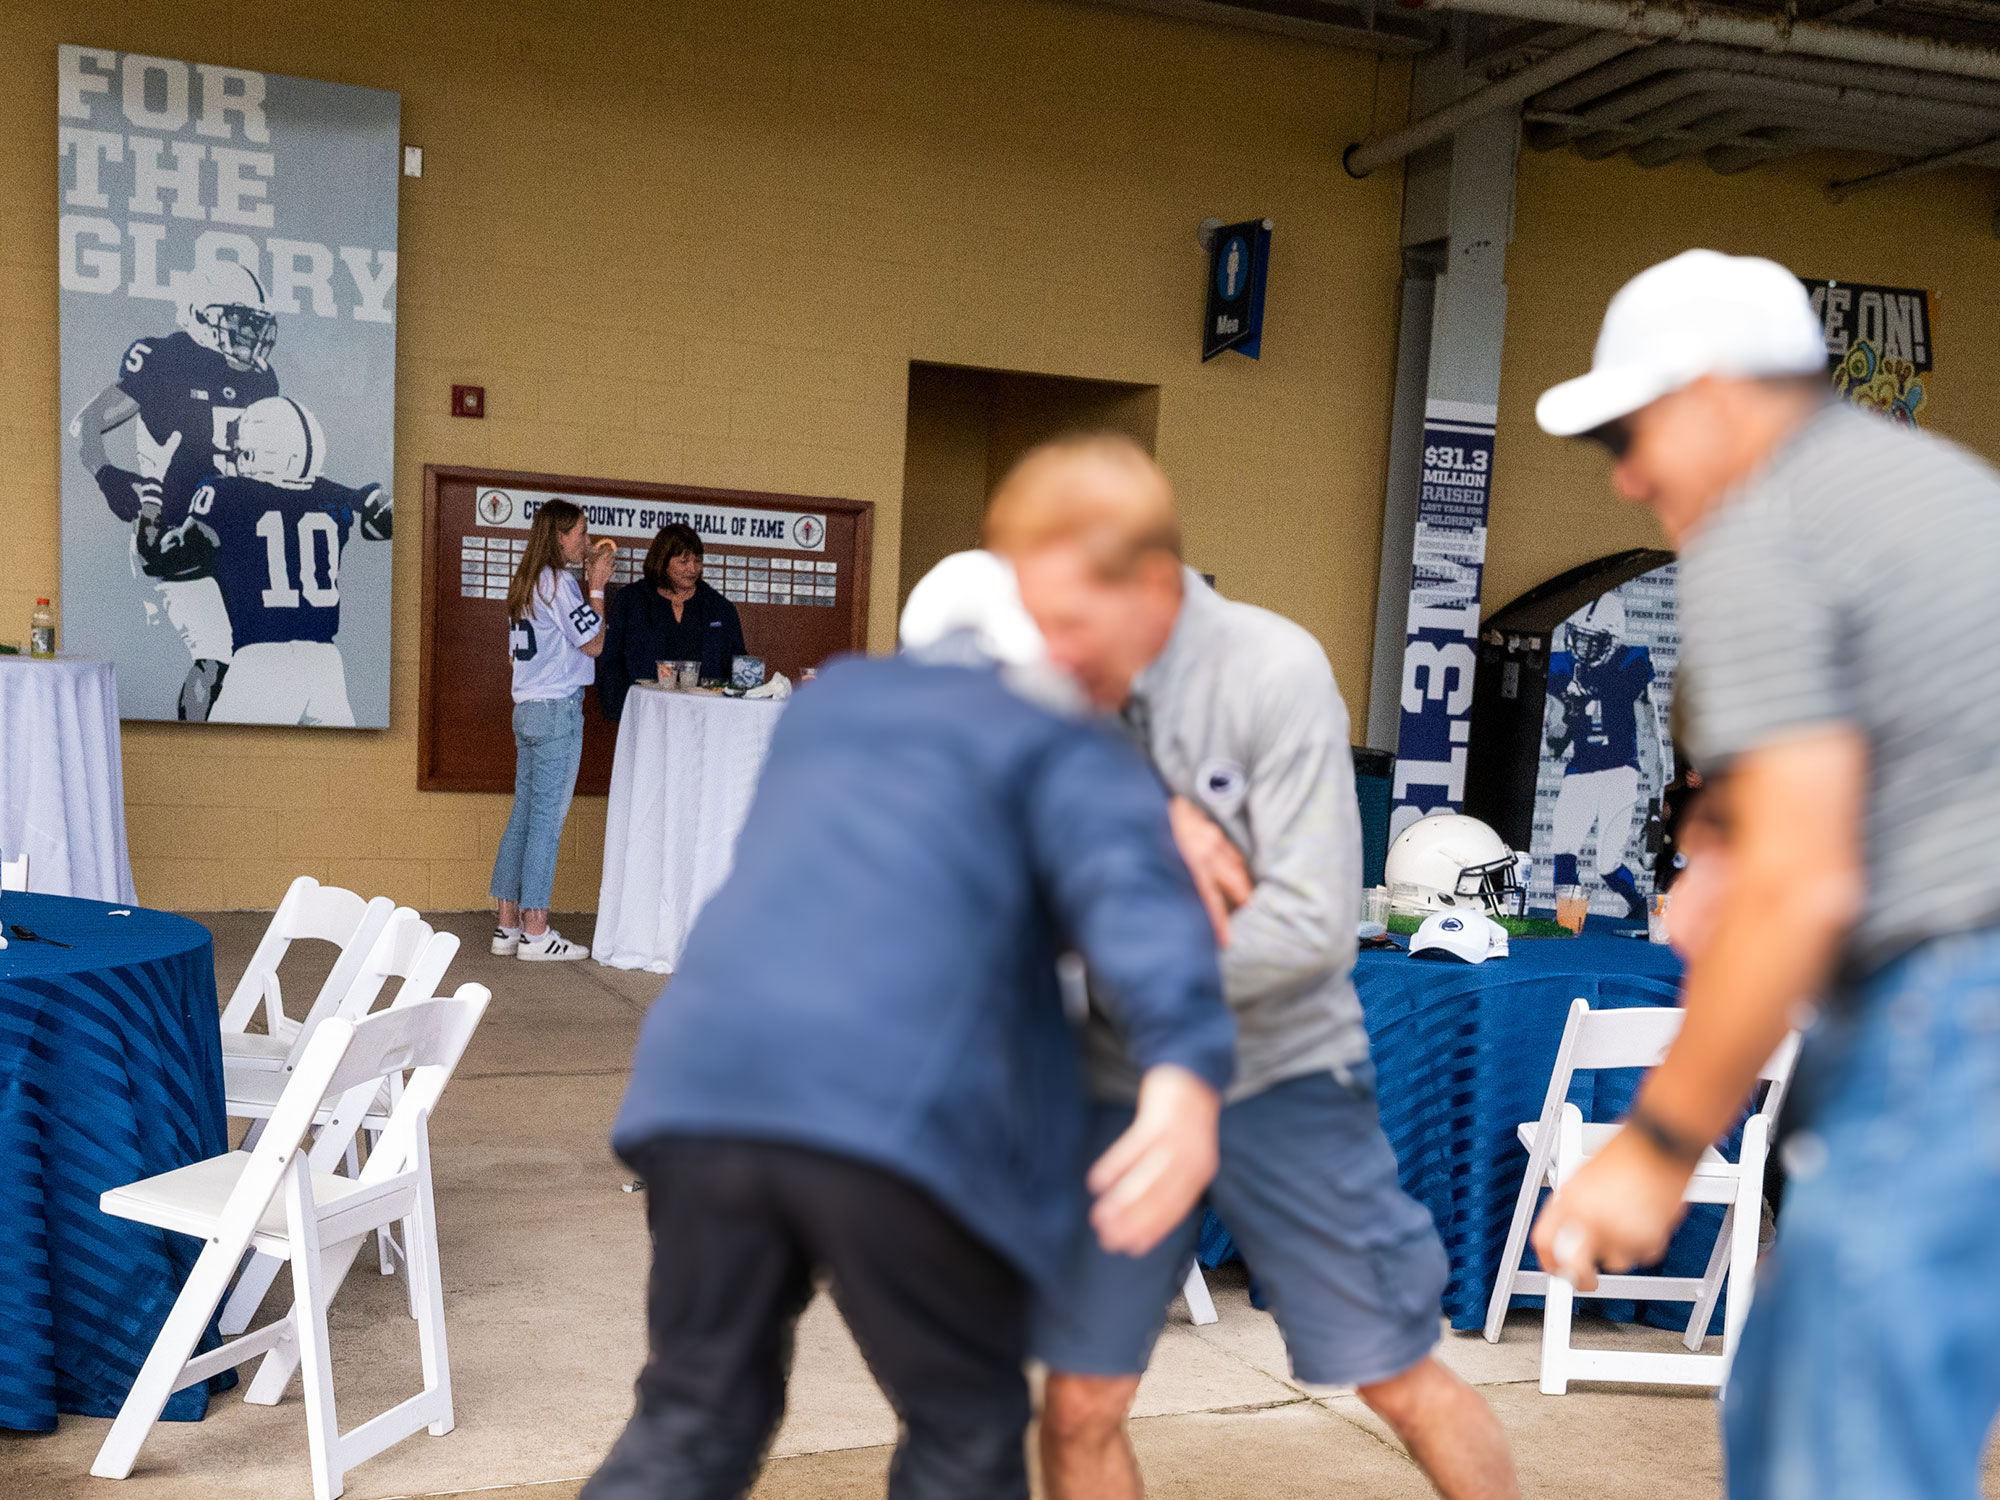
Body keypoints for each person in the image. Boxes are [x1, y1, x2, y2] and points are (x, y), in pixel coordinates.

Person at [581, 551, 1236, 1500]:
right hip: (884, 1108)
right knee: (965, 1425)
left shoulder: (833, 708)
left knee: (695, 1414)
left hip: (701, 1085)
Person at [1527, 249, 2000, 1499]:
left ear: (1715, 398)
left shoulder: (1767, 519)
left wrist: (1658, 1140)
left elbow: (1803, 880)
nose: (1627, 478)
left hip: (1954, 1015)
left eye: (1631, 433)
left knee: (1840, 1462)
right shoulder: (1935, 492)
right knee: (1793, 1405)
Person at [985, 434, 1518, 1500]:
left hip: (1278, 1075)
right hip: (1117, 1083)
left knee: (1397, 1378)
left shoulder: (1271, 670)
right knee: (1079, 1405)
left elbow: (1312, 924)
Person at [70, 260, 282, 720]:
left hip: (237, 538)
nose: (248, 336)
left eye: (255, 325)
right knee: (215, 657)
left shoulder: (262, 378)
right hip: (173, 530)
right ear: (199, 313)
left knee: (262, 661)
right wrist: (106, 474)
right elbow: (85, 421)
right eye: (238, 322)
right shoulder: (163, 359)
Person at [135, 396, 391, 726]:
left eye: (243, 451)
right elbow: (380, 516)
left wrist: (153, 487)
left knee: (224, 767)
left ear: (261, 452)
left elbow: (158, 559)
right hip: (326, 665)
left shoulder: (225, 494)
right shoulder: (333, 495)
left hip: (263, 660)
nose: (237, 458)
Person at [490, 499, 615, 962]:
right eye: (580, 532)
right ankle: (536, 932)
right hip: (556, 711)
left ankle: (507, 926)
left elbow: (513, 656)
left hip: (526, 707)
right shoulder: (560, 583)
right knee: (545, 822)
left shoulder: (525, 582)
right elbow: (595, 642)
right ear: (559, 537)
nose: (586, 540)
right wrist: (597, 588)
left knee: (523, 817)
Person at [1545, 592, 1669, 925]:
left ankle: (1638, 906)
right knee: (1564, 848)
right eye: (1579, 639)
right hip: (1581, 770)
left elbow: (1651, 737)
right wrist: (1569, 711)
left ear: (1612, 641)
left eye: (1592, 642)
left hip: (1620, 770)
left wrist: (1656, 812)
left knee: (1607, 863)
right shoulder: (1563, 668)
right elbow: (1555, 742)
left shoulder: (1631, 665)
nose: (1582, 649)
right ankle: (1569, 925)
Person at [595, 522, 746, 719]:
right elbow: (610, 660)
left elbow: (738, 661)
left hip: (704, 716)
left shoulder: (718, 607)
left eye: (697, 561)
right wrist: (620, 709)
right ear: (662, 561)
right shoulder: (630, 601)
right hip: (646, 714)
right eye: (683, 562)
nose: (692, 569)